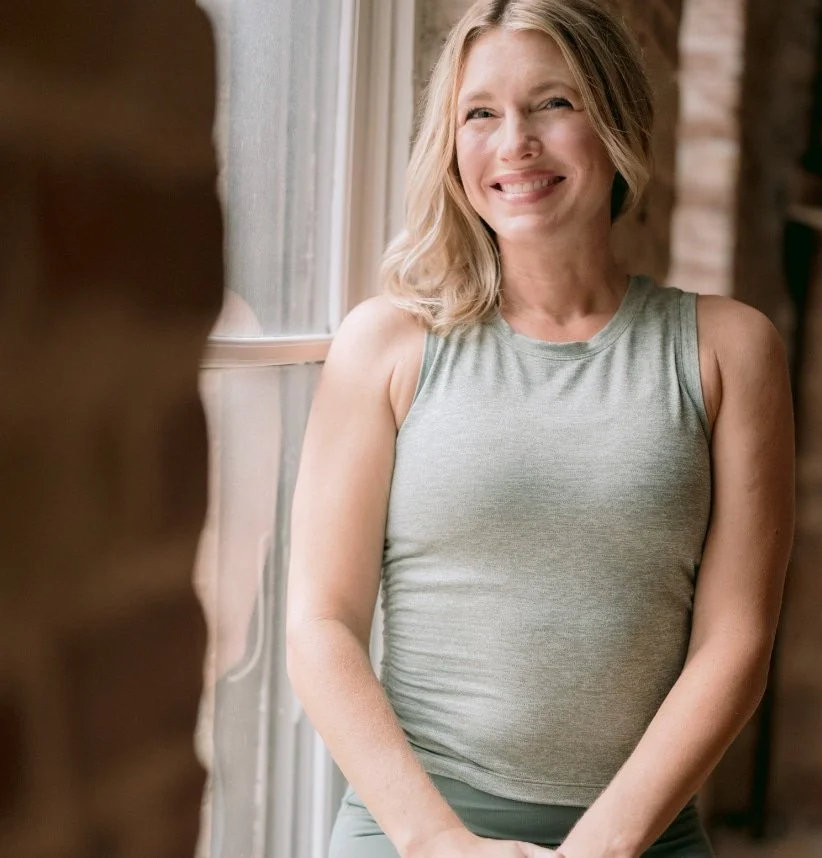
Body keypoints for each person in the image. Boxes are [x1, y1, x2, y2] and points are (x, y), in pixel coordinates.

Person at [285, 1, 795, 856]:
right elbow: (320, 623)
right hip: (411, 832)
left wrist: (605, 847)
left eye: (553, 104)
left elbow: (736, 637)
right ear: (450, 146)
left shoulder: (730, 350)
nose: (514, 142)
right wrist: (438, 842)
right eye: (480, 113)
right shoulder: (386, 344)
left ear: (616, 120)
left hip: (643, 839)